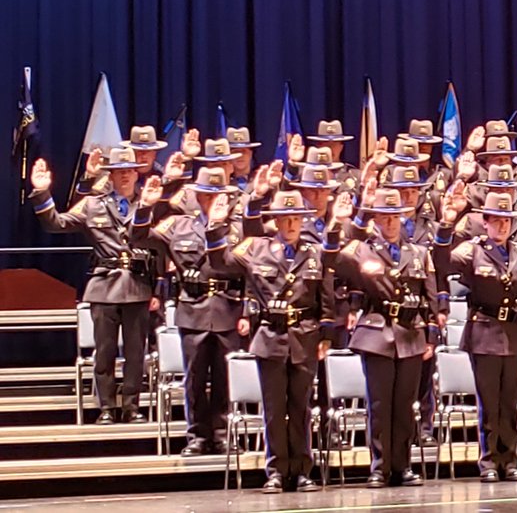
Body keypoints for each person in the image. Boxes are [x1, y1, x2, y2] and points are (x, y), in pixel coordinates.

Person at [206, 189, 335, 492]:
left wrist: (326, 335)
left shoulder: (315, 253)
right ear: (275, 221)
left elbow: (325, 299)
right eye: (285, 219)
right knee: (275, 408)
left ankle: (302, 470)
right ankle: (276, 470)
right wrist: (215, 227)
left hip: (304, 336)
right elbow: (219, 262)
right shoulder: (256, 248)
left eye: (296, 219)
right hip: (270, 337)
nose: (291, 224)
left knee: (301, 407)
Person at [325, 189, 440, 487]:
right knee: (379, 404)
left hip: (411, 334)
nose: (390, 223)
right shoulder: (362, 250)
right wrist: (338, 224)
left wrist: (432, 337)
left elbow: (430, 299)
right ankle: (379, 465)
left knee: (405, 405)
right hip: (377, 331)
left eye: (394, 217)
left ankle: (402, 465)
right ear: (375, 219)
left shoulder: (419, 253)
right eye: (384, 217)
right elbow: (333, 259)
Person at [29, 149, 154, 425]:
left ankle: (132, 406)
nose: (125, 174)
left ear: (136, 173)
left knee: (135, 352)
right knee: (105, 350)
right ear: (109, 174)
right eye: (119, 170)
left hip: (137, 285)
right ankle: (107, 406)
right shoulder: (92, 205)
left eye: (129, 169)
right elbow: (56, 223)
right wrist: (42, 193)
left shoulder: (148, 204)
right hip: (104, 285)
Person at [132, 167, 249, 454]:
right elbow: (139, 238)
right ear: (196, 195)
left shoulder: (238, 228)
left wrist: (247, 311)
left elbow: (251, 274)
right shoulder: (178, 225)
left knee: (224, 375)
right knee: (194, 377)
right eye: (207, 195)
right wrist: (145, 206)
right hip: (193, 309)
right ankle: (197, 435)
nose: (213, 201)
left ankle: (221, 433)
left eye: (219, 195)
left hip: (227, 307)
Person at [435, 186, 517, 483]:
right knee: (490, 403)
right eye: (496, 220)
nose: (501, 225)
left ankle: (509, 460)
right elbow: (441, 261)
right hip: (484, 333)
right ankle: (489, 462)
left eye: (506, 221)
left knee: (511, 402)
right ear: (485, 221)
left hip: (514, 335)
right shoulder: (472, 251)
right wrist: (447, 224)